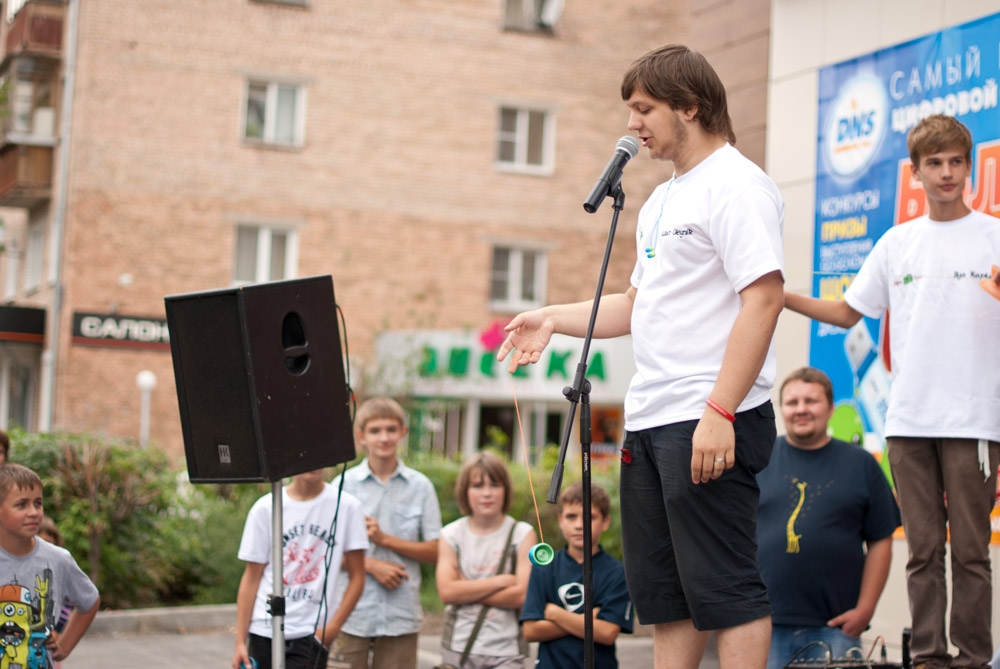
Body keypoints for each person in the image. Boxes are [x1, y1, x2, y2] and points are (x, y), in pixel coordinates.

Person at [497, 43, 785, 669]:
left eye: (643, 109)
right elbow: (635, 305)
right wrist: (552, 317)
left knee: (728, 588)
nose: (632, 126)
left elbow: (764, 299)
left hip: (708, 413)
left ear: (689, 106)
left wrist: (721, 409)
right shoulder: (659, 201)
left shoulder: (737, 185)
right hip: (652, 417)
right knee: (667, 596)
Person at [783, 114, 1000, 669]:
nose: (947, 173)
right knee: (923, 551)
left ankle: (974, 658)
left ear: (969, 167)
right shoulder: (897, 243)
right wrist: (777, 293)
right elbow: (844, 312)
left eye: (957, 162)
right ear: (917, 172)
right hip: (908, 420)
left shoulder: (994, 235)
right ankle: (929, 656)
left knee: (971, 553)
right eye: (935, 163)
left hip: (975, 421)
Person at [757, 367, 900, 668]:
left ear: (831, 408)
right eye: (792, 402)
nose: (801, 409)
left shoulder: (861, 464)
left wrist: (866, 609)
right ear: (781, 409)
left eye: (811, 401)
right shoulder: (759, 460)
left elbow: (881, 541)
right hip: (762, 626)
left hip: (836, 626)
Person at [330, 397, 442, 669]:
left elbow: (436, 550)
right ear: (361, 436)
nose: (384, 438)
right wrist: (370, 565)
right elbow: (326, 550)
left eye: (391, 430)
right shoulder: (342, 485)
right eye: (375, 430)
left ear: (403, 433)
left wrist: (384, 540)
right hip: (350, 614)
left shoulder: (420, 486)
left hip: (400, 614)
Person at [232, 468, 369, 669]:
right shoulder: (265, 508)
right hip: (264, 630)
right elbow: (251, 578)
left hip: (311, 633)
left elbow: (358, 576)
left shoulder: (347, 506)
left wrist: (330, 630)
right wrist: (240, 641)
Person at [436, 451, 536, 668]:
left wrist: (465, 588)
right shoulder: (451, 534)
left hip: (507, 651)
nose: (487, 493)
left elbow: (522, 596)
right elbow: (446, 592)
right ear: (465, 490)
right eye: (477, 486)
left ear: (506, 490)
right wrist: (501, 581)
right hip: (459, 648)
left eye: (495, 485)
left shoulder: (522, 534)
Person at [521, 481, 633, 668]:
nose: (579, 525)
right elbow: (531, 630)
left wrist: (554, 613)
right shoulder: (544, 566)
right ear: (560, 520)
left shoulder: (618, 572)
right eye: (571, 516)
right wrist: (589, 618)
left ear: (605, 522)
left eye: (590, 517)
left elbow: (607, 633)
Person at [0, 464, 100, 667]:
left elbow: (89, 601)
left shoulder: (58, 559)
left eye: (38, 503)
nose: (34, 512)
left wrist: (64, 645)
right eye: (22, 505)